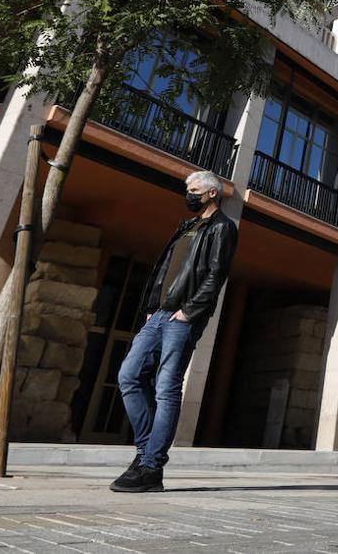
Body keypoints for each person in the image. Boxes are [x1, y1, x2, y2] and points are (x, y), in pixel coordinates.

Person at [112, 171, 237, 493]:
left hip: (183, 317)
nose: (189, 194)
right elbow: (167, 271)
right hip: (160, 314)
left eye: (194, 190)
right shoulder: (186, 226)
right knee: (129, 375)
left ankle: (151, 466)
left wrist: (189, 312)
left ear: (212, 194)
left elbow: (215, 275)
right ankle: (146, 454)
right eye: (188, 190)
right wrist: (155, 307)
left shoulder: (222, 227)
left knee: (166, 387)